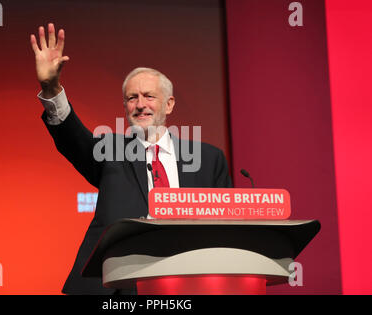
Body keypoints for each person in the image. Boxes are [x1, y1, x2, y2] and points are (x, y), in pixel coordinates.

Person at [30, 23, 232, 295]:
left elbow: (228, 227)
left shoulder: (209, 160)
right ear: (125, 106)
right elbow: (71, 137)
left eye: (149, 96)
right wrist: (51, 87)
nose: (140, 105)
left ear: (169, 104)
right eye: (131, 98)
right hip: (117, 286)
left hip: (188, 283)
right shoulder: (109, 151)